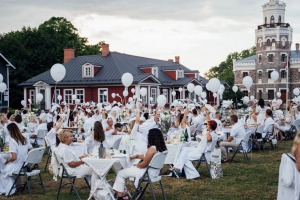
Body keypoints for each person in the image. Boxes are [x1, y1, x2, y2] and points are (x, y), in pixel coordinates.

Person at [113, 128, 167, 200]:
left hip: (147, 173)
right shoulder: (161, 148)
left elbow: (144, 164)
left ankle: (120, 197)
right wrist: (137, 156)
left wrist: (136, 165)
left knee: (120, 173)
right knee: (126, 169)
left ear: (151, 137)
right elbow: (146, 157)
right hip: (155, 172)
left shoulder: (152, 149)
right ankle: (125, 191)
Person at [0, 123, 32, 196]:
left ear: (10, 131)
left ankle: (9, 190)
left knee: (2, 172)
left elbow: (14, 158)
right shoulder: (25, 139)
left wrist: (7, 161)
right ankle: (14, 186)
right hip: (25, 165)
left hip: (17, 166)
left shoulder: (13, 141)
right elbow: (31, 149)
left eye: (8, 131)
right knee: (5, 170)